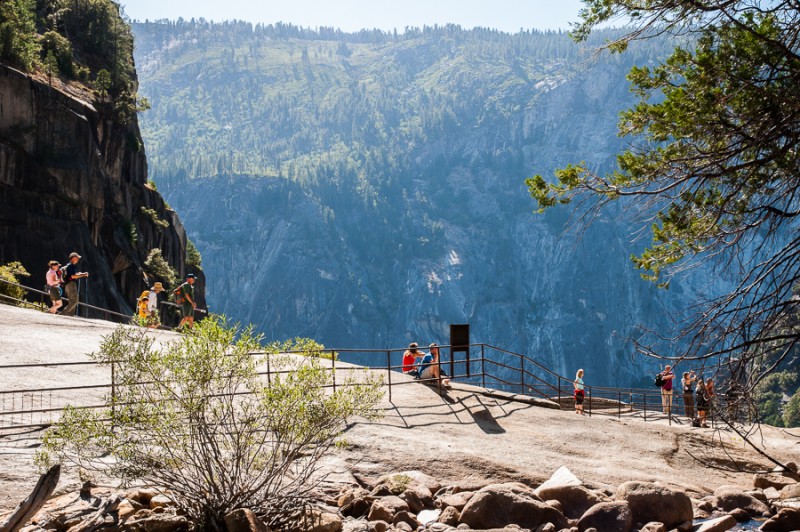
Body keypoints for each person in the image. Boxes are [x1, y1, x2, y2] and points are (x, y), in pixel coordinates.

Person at [61, 252, 89, 317]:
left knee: (71, 301)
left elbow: (71, 275)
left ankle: (70, 316)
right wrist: (83, 275)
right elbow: (73, 276)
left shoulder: (68, 265)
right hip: (71, 284)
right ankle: (63, 313)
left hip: (67, 285)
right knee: (75, 301)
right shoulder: (71, 266)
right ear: (73, 258)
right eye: (77, 258)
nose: (78, 260)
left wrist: (81, 274)